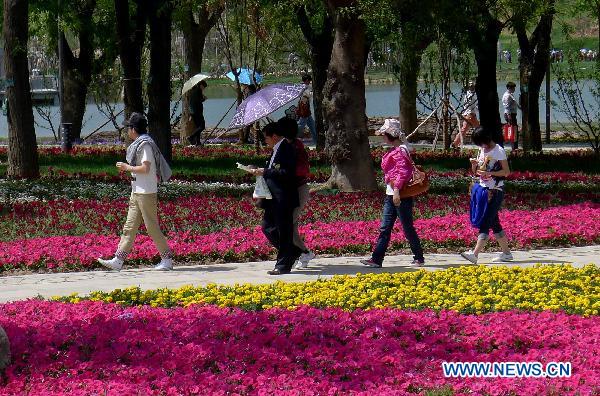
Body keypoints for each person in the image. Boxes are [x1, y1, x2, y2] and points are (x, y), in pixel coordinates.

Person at [98, 112, 174, 271]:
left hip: (146, 192)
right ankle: (118, 260)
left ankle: (167, 260)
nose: (127, 132)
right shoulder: (140, 144)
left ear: (133, 129)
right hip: (137, 191)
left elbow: (146, 168)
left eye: (128, 128)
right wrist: (129, 170)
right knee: (129, 227)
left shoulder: (145, 144)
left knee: (152, 227)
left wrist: (128, 168)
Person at [361, 119, 425, 268]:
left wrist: (396, 190)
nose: (383, 137)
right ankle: (377, 259)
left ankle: (419, 257)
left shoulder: (401, 150)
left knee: (407, 227)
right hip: (391, 194)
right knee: (385, 228)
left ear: (390, 135)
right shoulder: (397, 149)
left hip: (399, 194)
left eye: (384, 134)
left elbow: (403, 172)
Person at [249, 122, 302, 275]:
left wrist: (265, 171)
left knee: (284, 231)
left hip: (283, 197)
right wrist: (259, 169)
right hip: (272, 197)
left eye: (266, 137)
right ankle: (293, 252)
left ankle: (283, 265)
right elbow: (273, 169)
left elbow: (287, 173)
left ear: (275, 136)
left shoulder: (287, 149)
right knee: (267, 227)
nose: (265, 141)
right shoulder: (276, 150)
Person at [461, 127, 513, 265]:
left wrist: (491, 174)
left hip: (495, 190)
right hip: (484, 189)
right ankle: (507, 254)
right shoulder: (482, 150)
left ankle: (475, 254)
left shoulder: (499, 151)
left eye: (481, 143)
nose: (481, 146)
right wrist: (473, 166)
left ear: (487, 140)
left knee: (486, 221)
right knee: (494, 223)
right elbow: (478, 171)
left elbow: (506, 172)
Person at [278, 116, 315, 269]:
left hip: (299, 190)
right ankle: (303, 253)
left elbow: (301, 170)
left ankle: (300, 253)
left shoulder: (296, 147)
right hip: (291, 190)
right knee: (291, 226)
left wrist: (284, 171)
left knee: (289, 225)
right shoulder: (286, 144)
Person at [453, 81, 479, 148]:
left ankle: (455, 143)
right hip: (470, 114)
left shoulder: (467, 93)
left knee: (466, 130)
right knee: (478, 129)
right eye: (471, 86)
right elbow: (475, 105)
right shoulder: (472, 95)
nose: (472, 87)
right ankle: (455, 143)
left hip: (468, 113)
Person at [296, 74, 317, 145]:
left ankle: (316, 142)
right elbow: (304, 100)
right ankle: (291, 138)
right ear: (307, 80)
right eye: (309, 80)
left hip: (307, 112)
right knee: (300, 126)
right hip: (305, 111)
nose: (310, 81)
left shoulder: (302, 87)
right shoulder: (305, 87)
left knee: (312, 127)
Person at [187, 80, 208, 146]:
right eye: (204, 87)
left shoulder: (193, 91)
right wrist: (204, 98)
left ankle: (198, 142)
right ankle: (191, 137)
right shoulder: (198, 91)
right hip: (197, 112)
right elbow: (198, 101)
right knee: (202, 126)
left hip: (192, 112)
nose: (204, 88)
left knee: (198, 127)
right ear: (201, 85)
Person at [502, 81, 519, 148]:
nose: (514, 89)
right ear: (509, 88)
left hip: (512, 114)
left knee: (514, 129)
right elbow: (507, 106)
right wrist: (509, 116)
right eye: (513, 88)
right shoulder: (507, 96)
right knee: (513, 130)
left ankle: (514, 146)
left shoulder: (510, 94)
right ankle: (514, 147)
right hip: (510, 115)